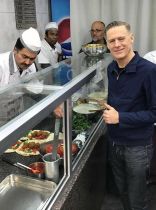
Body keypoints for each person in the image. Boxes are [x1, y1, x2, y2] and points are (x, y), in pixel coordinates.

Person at [103, 21, 156, 210]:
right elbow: (120, 101)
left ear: (131, 38)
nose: (117, 44)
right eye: (112, 41)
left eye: (121, 39)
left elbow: (154, 113)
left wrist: (120, 117)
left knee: (137, 196)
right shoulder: (111, 69)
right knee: (122, 191)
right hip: (115, 141)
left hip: (137, 146)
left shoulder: (149, 71)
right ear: (107, 44)